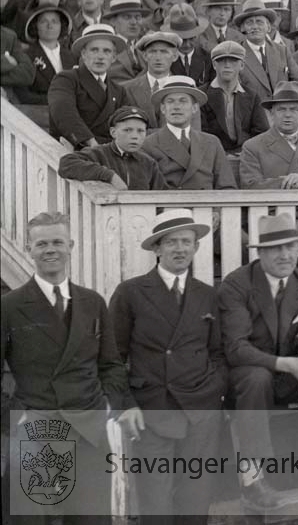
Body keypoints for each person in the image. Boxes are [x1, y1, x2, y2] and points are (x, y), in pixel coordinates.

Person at [1, 212, 132, 524]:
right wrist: (14, 417)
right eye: (42, 243)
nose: (51, 249)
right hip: (35, 425)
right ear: (30, 248)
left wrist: (107, 405)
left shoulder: (92, 302)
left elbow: (111, 364)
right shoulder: (9, 306)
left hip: (88, 427)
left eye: (58, 241)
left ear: (70, 245)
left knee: (89, 518)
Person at [218, 213, 298, 508]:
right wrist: (286, 365)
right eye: (277, 248)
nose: (286, 255)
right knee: (256, 377)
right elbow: (236, 349)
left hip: (292, 372)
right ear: (260, 253)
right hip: (249, 375)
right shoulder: (236, 284)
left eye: (292, 247)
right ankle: (253, 479)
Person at [109, 209, 227, 525]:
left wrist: (212, 395)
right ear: (157, 249)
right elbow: (111, 358)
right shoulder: (130, 292)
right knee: (155, 506)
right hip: (151, 412)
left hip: (199, 413)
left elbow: (218, 353)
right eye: (171, 242)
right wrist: (125, 405)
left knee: (195, 502)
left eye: (186, 242)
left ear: (196, 247)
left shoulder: (207, 295)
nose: (180, 249)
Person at [141, 75, 236, 189]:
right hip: (169, 205)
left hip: (206, 205)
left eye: (183, 101)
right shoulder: (149, 144)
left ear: (194, 108)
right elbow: (144, 190)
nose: (176, 107)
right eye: (170, 101)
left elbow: (227, 187)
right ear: (163, 108)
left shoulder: (211, 143)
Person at [47, 22, 131, 148]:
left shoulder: (118, 91)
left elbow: (127, 124)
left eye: (106, 51)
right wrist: (89, 142)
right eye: (94, 50)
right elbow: (63, 112)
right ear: (84, 54)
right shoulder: (66, 79)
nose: (100, 57)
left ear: (113, 57)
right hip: (73, 148)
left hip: (109, 152)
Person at [58, 104, 167, 189]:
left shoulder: (148, 163)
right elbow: (66, 163)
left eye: (140, 131)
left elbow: (162, 196)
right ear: (113, 132)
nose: (135, 136)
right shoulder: (98, 153)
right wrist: (109, 176)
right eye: (128, 130)